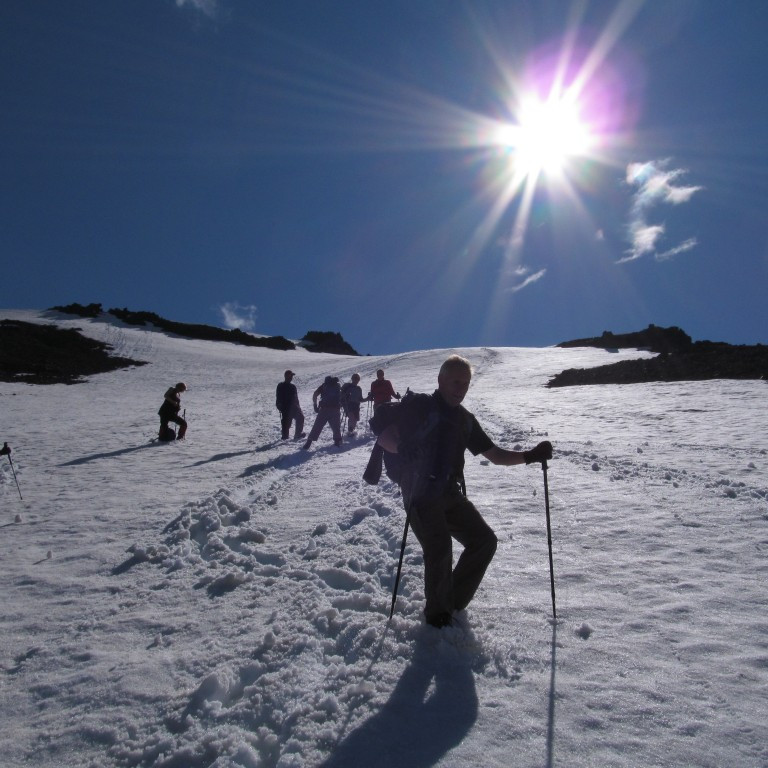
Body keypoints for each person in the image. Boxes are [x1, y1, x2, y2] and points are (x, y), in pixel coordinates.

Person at [376, 354, 553, 629]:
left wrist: (530, 456)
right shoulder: (421, 407)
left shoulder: (465, 420)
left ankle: (451, 602)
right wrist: (402, 447)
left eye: (466, 383)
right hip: (419, 491)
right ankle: (437, 617)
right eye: (455, 381)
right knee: (439, 547)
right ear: (440, 380)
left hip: (448, 491)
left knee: (484, 541)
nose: (460, 388)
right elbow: (384, 437)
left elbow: (495, 455)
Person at [303, 375, 343, 450]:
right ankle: (337, 442)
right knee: (336, 427)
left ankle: (309, 443)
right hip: (335, 409)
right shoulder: (338, 385)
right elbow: (342, 396)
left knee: (317, 426)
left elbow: (315, 394)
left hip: (324, 409)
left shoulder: (324, 385)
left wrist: (315, 405)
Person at [275, 370, 306, 440]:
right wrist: (279, 406)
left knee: (300, 417)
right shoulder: (281, 385)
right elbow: (278, 397)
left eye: (292, 376)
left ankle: (298, 434)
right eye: (290, 375)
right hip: (286, 408)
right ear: (286, 376)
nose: (291, 377)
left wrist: (298, 407)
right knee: (286, 424)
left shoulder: (293, 387)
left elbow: (296, 398)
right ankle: (284, 437)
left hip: (294, 407)